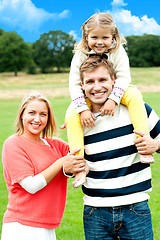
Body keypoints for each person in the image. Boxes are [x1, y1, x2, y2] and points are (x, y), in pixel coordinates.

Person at [67, 55, 160, 240]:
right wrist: (70, 169)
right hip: (95, 212)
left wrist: (155, 144)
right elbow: (72, 162)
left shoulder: (138, 110)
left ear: (114, 81)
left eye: (102, 79)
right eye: (90, 81)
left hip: (136, 208)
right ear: (82, 86)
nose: (97, 87)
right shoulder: (79, 119)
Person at [67, 12, 154, 187]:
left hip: (118, 90)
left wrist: (113, 100)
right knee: (71, 114)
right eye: (94, 37)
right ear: (86, 36)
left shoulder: (118, 51)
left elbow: (123, 77)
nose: (99, 42)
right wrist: (83, 109)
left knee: (134, 94)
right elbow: (75, 84)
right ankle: (79, 167)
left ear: (113, 36)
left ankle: (143, 144)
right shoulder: (80, 54)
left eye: (105, 37)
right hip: (88, 96)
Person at [1, 91, 85, 240]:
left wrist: (74, 124)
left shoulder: (57, 146)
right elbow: (31, 185)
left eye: (43, 114)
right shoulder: (13, 144)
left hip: (48, 226)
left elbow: (83, 153)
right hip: (22, 227)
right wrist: (61, 162)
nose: (37, 119)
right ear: (22, 115)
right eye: (32, 113)